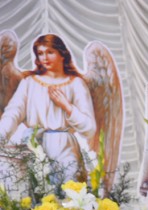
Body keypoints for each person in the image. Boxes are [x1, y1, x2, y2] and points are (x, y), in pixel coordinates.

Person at [0, 34, 95, 180]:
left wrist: (67, 106)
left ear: (62, 54)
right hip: (33, 146)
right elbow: (13, 113)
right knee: (35, 188)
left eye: (50, 52)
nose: (44, 58)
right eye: (40, 53)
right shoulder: (29, 83)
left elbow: (89, 128)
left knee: (68, 188)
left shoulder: (76, 84)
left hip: (65, 148)